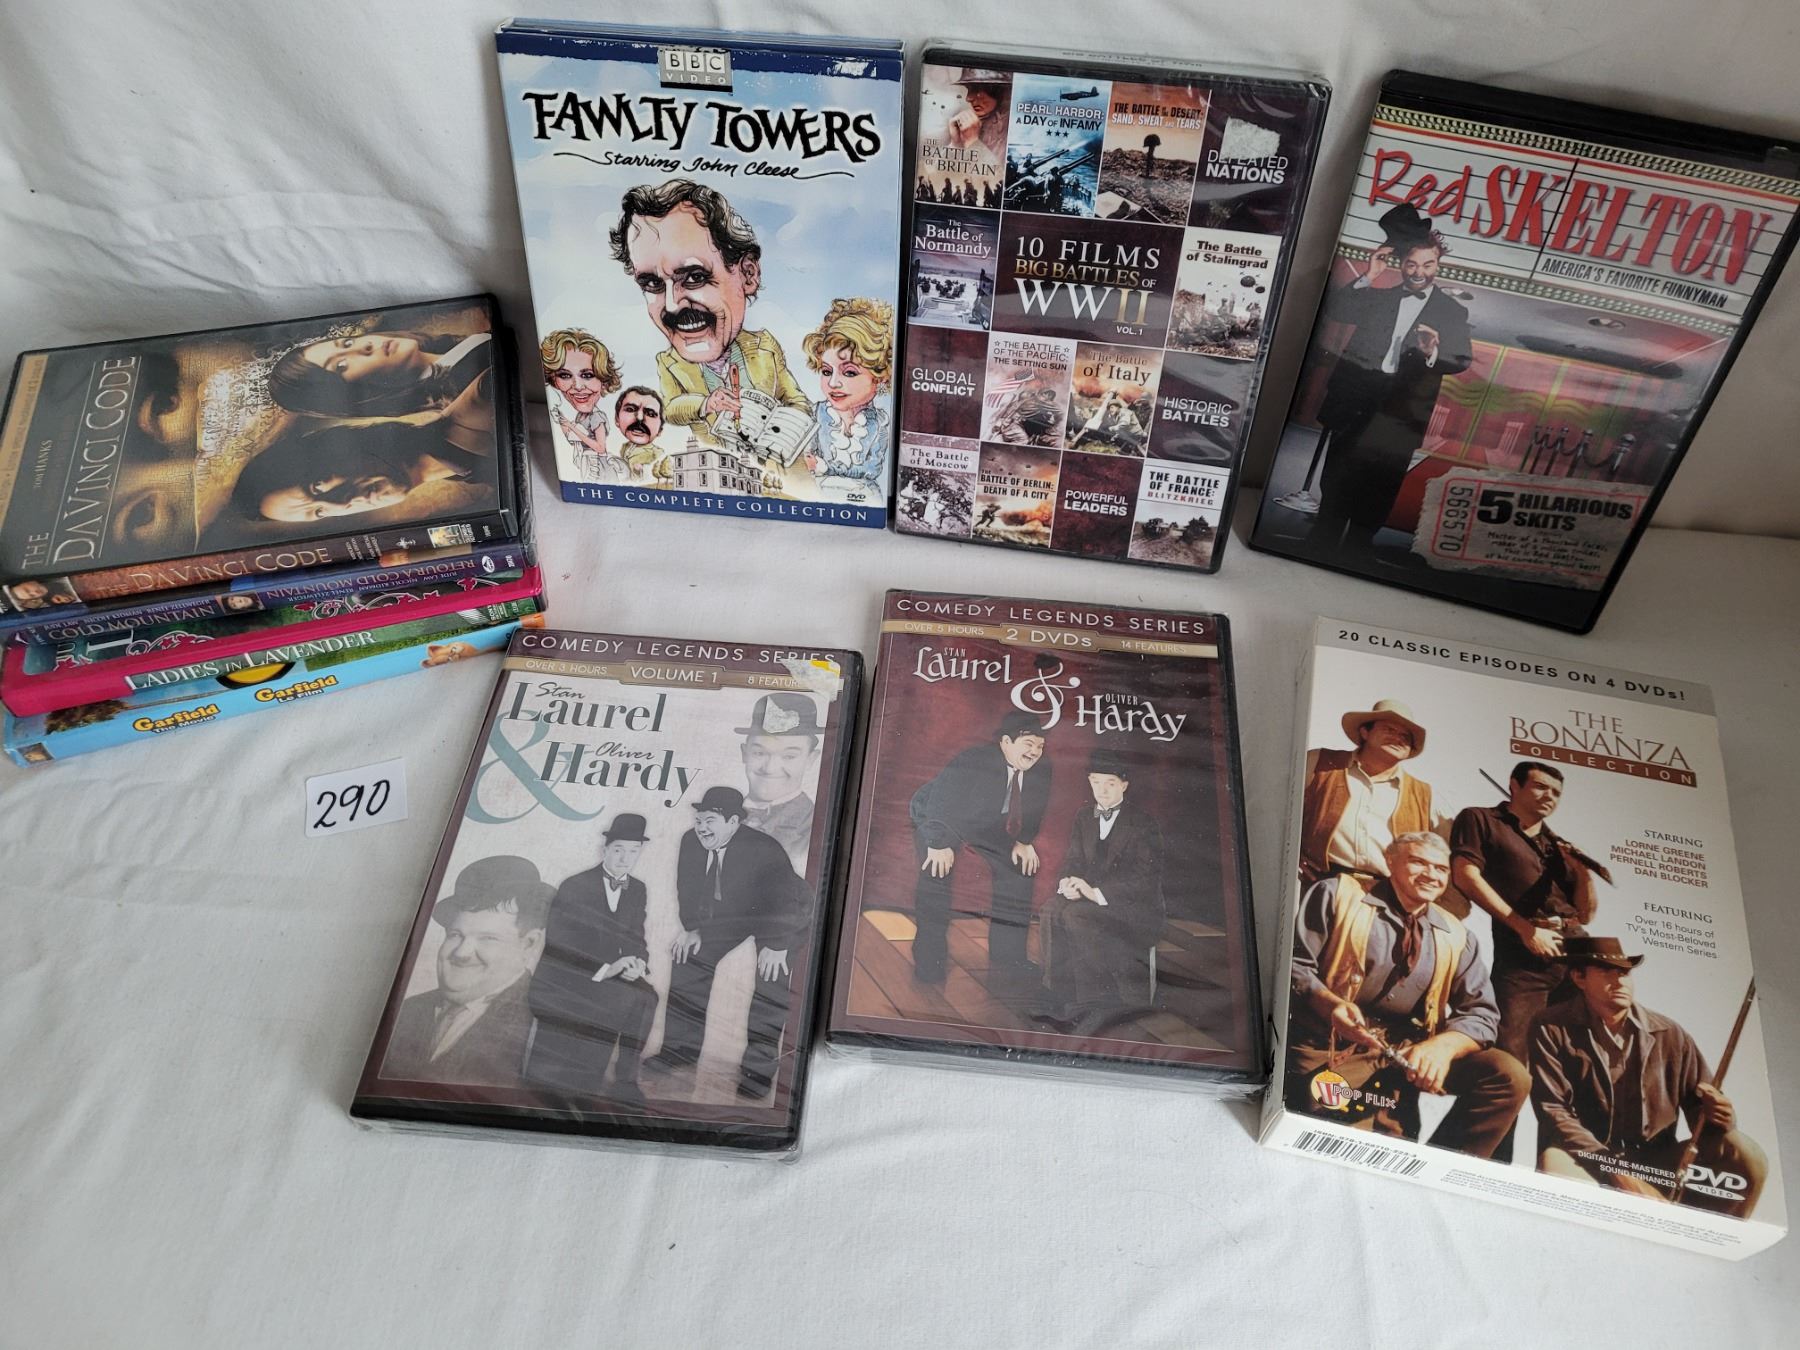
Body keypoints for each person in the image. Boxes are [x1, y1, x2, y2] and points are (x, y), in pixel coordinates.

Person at [1286, 832, 1527, 1157]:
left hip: (1406, 1054)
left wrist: (1441, 1048)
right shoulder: (1338, 894)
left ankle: (1444, 1165)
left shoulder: (1456, 934)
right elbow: (1293, 965)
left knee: (1508, 1075)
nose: (1431, 875)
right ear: (1390, 860)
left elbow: (1482, 1014)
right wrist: (1330, 1005)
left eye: (1441, 869)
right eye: (1418, 862)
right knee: (1347, 1148)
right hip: (1330, 1046)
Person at [1532, 938, 1766, 1217]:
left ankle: (1702, 1235)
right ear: (1579, 978)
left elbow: (1702, 1116)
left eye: (1624, 972)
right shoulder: (1550, 1027)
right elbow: (1554, 1112)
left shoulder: (1671, 1034)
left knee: (1745, 1155)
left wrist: (1722, 1117)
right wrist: (1615, 1171)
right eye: (1606, 971)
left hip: (1657, 1162)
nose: (1619, 981)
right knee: (1555, 1165)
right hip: (1586, 1157)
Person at [1307, 204, 1473, 551]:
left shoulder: (1453, 311)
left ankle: (1359, 546)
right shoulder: (1377, 298)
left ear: (1438, 264)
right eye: (1411, 264)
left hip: (1402, 412)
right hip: (1356, 401)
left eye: (1428, 264)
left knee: (1382, 481)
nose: (1419, 272)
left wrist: (1432, 352)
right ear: (1401, 264)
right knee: (1338, 472)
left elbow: (1461, 360)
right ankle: (1322, 538)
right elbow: (1337, 310)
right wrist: (1369, 274)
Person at [641, 786, 809, 1100]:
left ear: (733, 822)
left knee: (770, 985)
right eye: (699, 820)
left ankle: (758, 1071)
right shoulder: (690, 841)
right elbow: (687, 889)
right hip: (733, 912)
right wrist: (692, 929)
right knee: (688, 959)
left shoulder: (765, 849)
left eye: (710, 821)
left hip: (783, 917)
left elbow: (784, 902)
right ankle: (680, 1050)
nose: (702, 828)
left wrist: (778, 946)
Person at [608, 180, 809, 432]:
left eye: (695, 277)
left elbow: (795, 399)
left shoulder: (765, 347)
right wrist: (706, 404)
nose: (672, 305)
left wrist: (795, 429)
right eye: (652, 284)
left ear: (748, 275)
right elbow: (670, 409)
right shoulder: (668, 363)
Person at [1451, 763, 1608, 1065]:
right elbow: (1465, 875)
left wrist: (1583, 873)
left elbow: (1586, 915)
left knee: (1583, 1055)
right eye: (1540, 786)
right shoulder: (1481, 819)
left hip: (1577, 951)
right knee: (1511, 1052)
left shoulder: (1558, 845)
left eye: (1556, 793)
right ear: (1514, 785)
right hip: (1522, 953)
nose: (1549, 796)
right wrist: (1526, 929)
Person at [908, 710, 1051, 990]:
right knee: (936, 873)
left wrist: (1024, 841)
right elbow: (941, 802)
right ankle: (929, 961)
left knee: (1019, 868)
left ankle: (1008, 955)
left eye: (1040, 745)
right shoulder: (973, 760)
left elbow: (1036, 808)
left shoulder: (1042, 767)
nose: (1035, 752)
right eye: (1028, 744)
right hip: (939, 817)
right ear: (1006, 742)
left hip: (986, 820)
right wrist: (938, 844)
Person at [524, 814, 658, 1108]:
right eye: (619, 850)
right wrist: (607, 969)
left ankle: (625, 1081)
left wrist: (638, 962)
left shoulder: (637, 888)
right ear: (605, 849)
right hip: (565, 977)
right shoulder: (575, 885)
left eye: (633, 851)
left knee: (648, 996)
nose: (625, 859)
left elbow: (636, 935)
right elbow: (561, 941)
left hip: (610, 973)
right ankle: (584, 1083)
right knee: (615, 998)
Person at [384, 855, 552, 1087]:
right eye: (455, 934)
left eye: (488, 938)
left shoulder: (545, 1025)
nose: (462, 953)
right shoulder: (406, 1010)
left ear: (529, 944)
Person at [1039, 749, 1164, 1029]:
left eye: (1110, 783)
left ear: (1124, 785)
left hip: (1133, 908)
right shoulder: (1085, 816)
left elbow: (1144, 880)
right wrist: (1067, 882)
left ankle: (1096, 1002)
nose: (1102, 790)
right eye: (1096, 782)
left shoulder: (1143, 824)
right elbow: (1073, 860)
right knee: (1049, 909)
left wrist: (1094, 893)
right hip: (1089, 898)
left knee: (1076, 916)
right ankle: (1058, 992)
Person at [226, 413, 491, 527]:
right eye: (319, 512)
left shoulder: (475, 421)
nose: (342, 505)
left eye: (317, 485)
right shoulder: (466, 470)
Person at [1297, 698, 1449, 895]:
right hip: (1316, 886)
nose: (1397, 738)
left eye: (1405, 736)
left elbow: (1447, 856)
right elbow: (1275, 808)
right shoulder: (1319, 762)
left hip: (1388, 898)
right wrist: (1292, 857)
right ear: (1365, 732)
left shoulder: (1426, 795)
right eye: (1389, 729)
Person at [269, 328, 492, 418]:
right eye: (341, 365)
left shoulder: (455, 351)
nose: (364, 346)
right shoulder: (471, 389)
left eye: (347, 343)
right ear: (354, 395)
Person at [800, 297, 892, 486]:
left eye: (849, 372)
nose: (833, 383)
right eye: (826, 371)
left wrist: (824, 466)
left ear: (880, 375)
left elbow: (871, 470)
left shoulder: (880, 425)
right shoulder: (814, 414)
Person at [737, 693, 823, 870]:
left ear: (810, 759)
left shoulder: (817, 829)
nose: (770, 768)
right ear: (744, 753)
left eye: (789, 756)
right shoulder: (716, 814)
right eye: (759, 753)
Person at [539, 329, 622, 482]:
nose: (577, 386)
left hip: (599, 470)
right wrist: (562, 421)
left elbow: (600, 448)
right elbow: (572, 440)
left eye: (587, 375)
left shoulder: (597, 417)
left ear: (603, 380)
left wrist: (572, 427)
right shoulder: (580, 416)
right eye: (565, 375)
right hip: (585, 466)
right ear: (554, 381)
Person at [613, 385, 669, 479]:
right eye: (630, 409)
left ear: (660, 429)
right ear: (617, 419)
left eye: (650, 414)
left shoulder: (658, 455)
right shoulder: (623, 448)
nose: (639, 417)